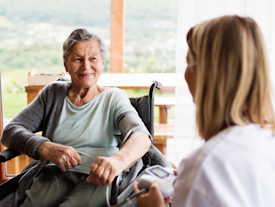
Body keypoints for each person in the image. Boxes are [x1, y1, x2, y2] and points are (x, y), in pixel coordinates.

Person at [133, 15, 275, 207]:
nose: (185, 74)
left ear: (208, 73)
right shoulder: (266, 139)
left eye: (187, 62)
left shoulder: (205, 167)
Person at [1, 28, 152, 207]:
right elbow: (10, 131)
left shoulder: (114, 98)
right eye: (77, 59)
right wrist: (44, 147)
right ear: (65, 64)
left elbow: (141, 137)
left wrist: (117, 161)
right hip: (53, 172)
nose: (86, 66)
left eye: (93, 58)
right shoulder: (53, 94)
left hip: (98, 177)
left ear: (102, 63)